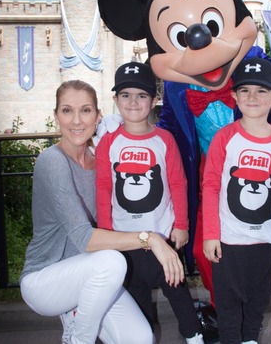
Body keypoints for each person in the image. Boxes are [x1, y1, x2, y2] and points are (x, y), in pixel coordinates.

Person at [20, 80, 186, 344]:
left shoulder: (102, 159)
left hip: (94, 277)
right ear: (55, 116)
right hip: (46, 279)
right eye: (67, 110)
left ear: (98, 116)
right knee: (112, 261)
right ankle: (77, 339)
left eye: (85, 111)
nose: (76, 121)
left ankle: (79, 314)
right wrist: (151, 238)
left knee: (141, 337)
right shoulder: (52, 161)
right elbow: (85, 239)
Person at [201, 58, 271, 344]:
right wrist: (210, 235)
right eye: (245, 90)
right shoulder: (223, 138)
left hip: (263, 241)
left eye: (261, 91)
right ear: (234, 96)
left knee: (256, 304)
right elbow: (211, 186)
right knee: (228, 308)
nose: (252, 97)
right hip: (228, 241)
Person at [95, 62, 204, 343]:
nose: (133, 102)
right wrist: (106, 235)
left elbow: (179, 184)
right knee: (140, 306)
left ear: (154, 100)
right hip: (125, 241)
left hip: (163, 237)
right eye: (126, 95)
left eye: (141, 95)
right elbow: (104, 188)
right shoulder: (108, 143)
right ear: (115, 100)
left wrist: (182, 225)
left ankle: (194, 337)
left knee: (179, 295)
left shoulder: (164, 139)